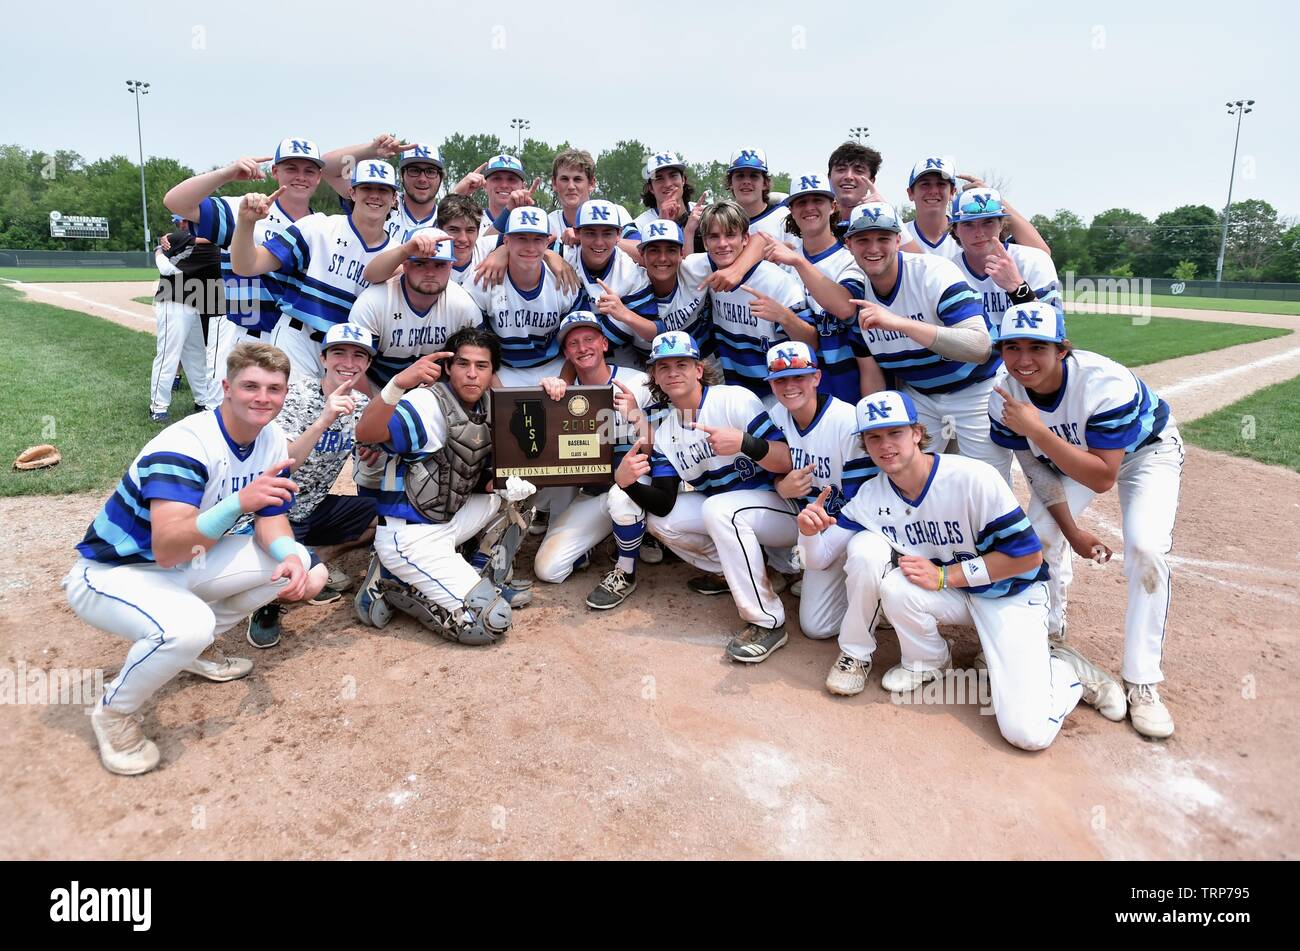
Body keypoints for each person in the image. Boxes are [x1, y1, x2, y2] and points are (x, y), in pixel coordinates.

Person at [797, 389, 1127, 749]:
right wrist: (809, 533)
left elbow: (1029, 558)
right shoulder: (871, 496)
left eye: (895, 433)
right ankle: (928, 662)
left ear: (917, 434)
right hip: (956, 592)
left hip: (1011, 593)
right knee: (894, 585)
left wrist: (944, 577)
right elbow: (819, 559)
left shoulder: (973, 478)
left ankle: (1065, 671)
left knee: (1026, 734)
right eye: (873, 437)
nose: (885, 445)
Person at [62, 342, 328, 775]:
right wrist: (240, 501)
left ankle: (190, 652)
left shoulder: (272, 438)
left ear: (284, 394)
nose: (263, 397)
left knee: (297, 565)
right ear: (226, 387)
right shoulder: (186, 444)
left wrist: (288, 556)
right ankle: (113, 712)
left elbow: (271, 521)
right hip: (114, 573)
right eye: (251, 386)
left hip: (187, 563)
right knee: (189, 625)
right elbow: (168, 548)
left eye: (274, 389)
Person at [988, 303, 1182, 738]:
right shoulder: (1002, 395)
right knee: (1039, 531)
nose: (1023, 359)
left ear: (1062, 350)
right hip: (1071, 456)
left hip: (1146, 454)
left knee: (1146, 546)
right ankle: (1050, 631)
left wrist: (1036, 431)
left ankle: (1142, 681)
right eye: (1011, 347)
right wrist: (1071, 531)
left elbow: (1102, 476)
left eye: (1038, 347)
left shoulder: (1103, 383)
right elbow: (1037, 471)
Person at [620, 332, 796, 662]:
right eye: (664, 366)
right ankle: (739, 573)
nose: (673, 372)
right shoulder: (668, 432)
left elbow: (786, 460)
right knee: (660, 520)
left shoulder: (733, 400)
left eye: (682, 364)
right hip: (734, 518)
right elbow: (664, 501)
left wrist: (745, 443)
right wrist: (626, 483)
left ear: (699, 370)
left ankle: (767, 622)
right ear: (655, 376)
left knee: (719, 508)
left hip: (783, 512)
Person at [352, 327, 529, 644]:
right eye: (463, 364)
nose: (472, 374)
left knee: (525, 495)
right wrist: (397, 385)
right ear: (448, 368)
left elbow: (466, 469)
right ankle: (394, 586)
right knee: (488, 623)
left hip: (449, 520)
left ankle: (477, 577)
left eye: (482, 366)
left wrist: (500, 483)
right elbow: (367, 432)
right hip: (411, 536)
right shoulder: (425, 403)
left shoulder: (492, 406)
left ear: (492, 372)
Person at [844, 200, 1011, 483]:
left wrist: (900, 323)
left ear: (898, 239)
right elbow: (871, 373)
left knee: (986, 482)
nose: (873, 248)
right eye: (863, 240)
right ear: (849, 244)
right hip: (920, 393)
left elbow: (980, 347)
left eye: (883, 238)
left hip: (976, 388)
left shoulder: (932, 272)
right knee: (906, 477)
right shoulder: (853, 287)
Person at [245, 324, 380, 648]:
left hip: (316, 506)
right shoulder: (295, 395)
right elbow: (282, 464)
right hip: (274, 512)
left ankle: (315, 559)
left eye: (358, 355)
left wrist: (372, 450)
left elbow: (371, 448)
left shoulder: (362, 404)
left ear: (367, 365)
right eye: (339, 353)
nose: (348, 362)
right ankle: (267, 604)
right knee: (284, 575)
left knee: (384, 511)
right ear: (323, 358)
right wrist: (324, 420)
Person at [163, 138, 325, 381]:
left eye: (309, 170)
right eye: (291, 168)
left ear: (319, 177)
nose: (300, 176)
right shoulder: (243, 207)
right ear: (275, 171)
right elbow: (175, 202)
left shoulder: (322, 226)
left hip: (299, 342)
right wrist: (226, 174)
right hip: (249, 335)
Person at [229, 160, 397, 381]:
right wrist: (245, 223)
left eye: (383, 190)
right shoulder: (318, 227)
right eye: (367, 188)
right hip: (299, 336)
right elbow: (247, 265)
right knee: (292, 413)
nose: (375, 195)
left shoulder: (397, 253)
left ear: (394, 199)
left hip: (350, 352)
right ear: (352, 193)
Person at [533, 313, 658, 608]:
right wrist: (548, 402)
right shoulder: (561, 391)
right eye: (573, 343)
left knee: (623, 493)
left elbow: (662, 450)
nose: (582, 347)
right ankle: (589, 547)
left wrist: (637, 416)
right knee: (547, 570)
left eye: (589, 339)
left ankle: (626, 570)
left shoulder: (637, 382)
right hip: (594, 491)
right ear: (566, 353)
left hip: (638, 488)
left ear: (603, 343)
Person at [764, 342, 876, 644]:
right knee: (817, 626)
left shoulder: (847, 421)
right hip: (809, 525)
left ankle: (876, 597)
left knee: (862, 557)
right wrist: (779, 485)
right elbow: (770, 471)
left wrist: (825, 542)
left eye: (798, 377)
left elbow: (865, 497)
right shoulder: (776, 416)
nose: (789, 387)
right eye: (780, 380)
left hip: (851, 525)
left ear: (816, 377)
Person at [755, 173, 864, 405]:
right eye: (801, 202)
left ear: (833, 206)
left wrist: (798, 261)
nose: (809, 208)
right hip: (800, 386)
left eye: (818, 200)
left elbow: (845, 309)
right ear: (792, 211)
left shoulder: (850, 259)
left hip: (849, 382)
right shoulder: (783, 264)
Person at [462, 206, 586, 386]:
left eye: (537, 239)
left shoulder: (564, 279)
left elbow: (577, 345)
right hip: (502, 368)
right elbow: (475, 347)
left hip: (555, 366)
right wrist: (500, 396)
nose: (530, 247)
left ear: (547, 243)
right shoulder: (483, 280)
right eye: (521, 238)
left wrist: (563, 384)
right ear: (506, 241)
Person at [349, 227, 483, 388]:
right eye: (420, 263)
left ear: (451, 267)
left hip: (433, 391)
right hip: (377, 387)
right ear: (405, 265)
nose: (430, 273)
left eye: (439, 265)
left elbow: (477, 363)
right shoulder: (374, 302)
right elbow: (353, 367)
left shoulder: (463, 305)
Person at [949, 187, 1063, 335]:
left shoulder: (1034, 261)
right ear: (955, 229)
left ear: (1002, 224)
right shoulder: (947, 271)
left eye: (988, 222)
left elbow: (1056, 330)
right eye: (968, 224)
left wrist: (1017, 287)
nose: (979, 233)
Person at [562, 199, 657, 363]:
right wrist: (550, 257)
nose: (599, 242)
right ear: (576, 233)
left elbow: (656, 332)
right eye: (590, 233)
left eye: (607, 233)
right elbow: (518, 245)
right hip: (566, 353)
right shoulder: (562, 256)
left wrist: (626, 314)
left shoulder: (630, 273)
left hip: (618, 354)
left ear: (619, 234)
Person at [149, 215, 224, 421]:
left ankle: (202, 400)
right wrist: (158, 251)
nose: (182, 225)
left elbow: (166, 265)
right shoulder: (179, 238)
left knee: (196, 355)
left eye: (185, 221)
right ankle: (158, 407)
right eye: (178, 222)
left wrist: (159, 251)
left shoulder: (202, 242)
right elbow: (166, 269)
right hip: (173, 301)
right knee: (168, 354)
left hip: (197, 302)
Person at [548, 148, 641, 259]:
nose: (571, 186)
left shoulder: (614, 212)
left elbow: (643, 252)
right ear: (554, 183)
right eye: (564, 179)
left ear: (591, 183)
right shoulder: (548, 222)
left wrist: (585, 238)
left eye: (577, 179)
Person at [634, 150, 706, 252]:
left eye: (673, 176)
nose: (668, 184)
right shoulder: (639, 225)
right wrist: (662, 226)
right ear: (650, 188)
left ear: (683, 180)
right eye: (659, 178)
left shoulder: (706, 213)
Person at [725, 148, 789, 242]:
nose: (746, 182)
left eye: (754, 176)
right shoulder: (721, 220)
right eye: (740, 176)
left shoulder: (783, 217)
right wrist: (694, 230)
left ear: (765, 184)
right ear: (730, 183)